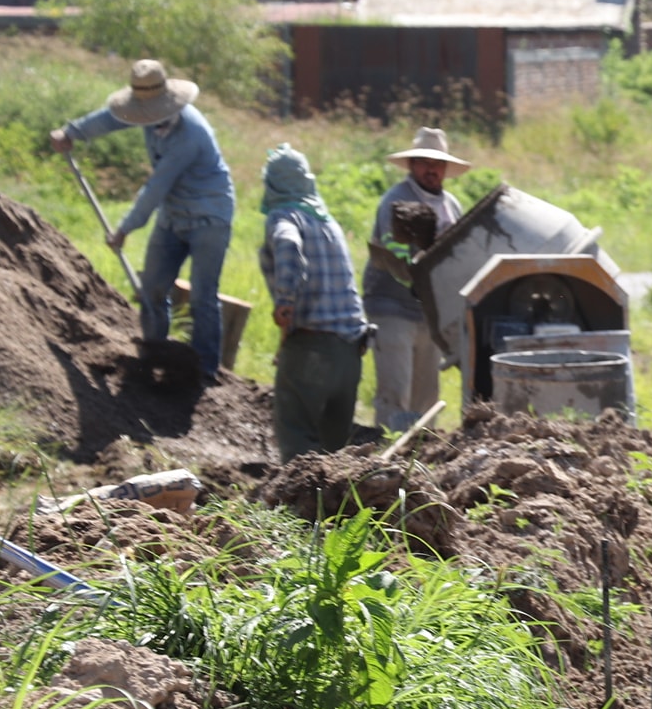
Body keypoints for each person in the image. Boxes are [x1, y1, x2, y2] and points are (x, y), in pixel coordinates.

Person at [50, 60, 236, 378]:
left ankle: (205, 371)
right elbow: (112, 119)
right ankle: (154, 353)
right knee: (152, 287)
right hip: (173, 213)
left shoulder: (190, 133)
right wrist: (73, 132)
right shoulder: (150, 115)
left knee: (203, 297)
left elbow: (156, 187)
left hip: (209, 216)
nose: (145, 118)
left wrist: (124, 228)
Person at [257, 145, 369, 461]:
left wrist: (285, 301)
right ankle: (334, 509)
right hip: (350, 351)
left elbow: (287, 243)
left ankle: (296, 509)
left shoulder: (284, 217)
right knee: (334, 452)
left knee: (296, 437)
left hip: (311, 348)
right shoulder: (328, 223)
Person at [367, 126, 469, 431]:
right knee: (396, 391)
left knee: (426, 396)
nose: (431, 169)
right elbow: (395, 254)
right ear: (412, 165)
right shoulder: (396, 201)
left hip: (430, 313)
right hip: (392, 307)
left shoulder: (452, 206)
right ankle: (387, 462)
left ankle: (422, 462)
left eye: (437, 164)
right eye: (425, 162)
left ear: (446, 169)